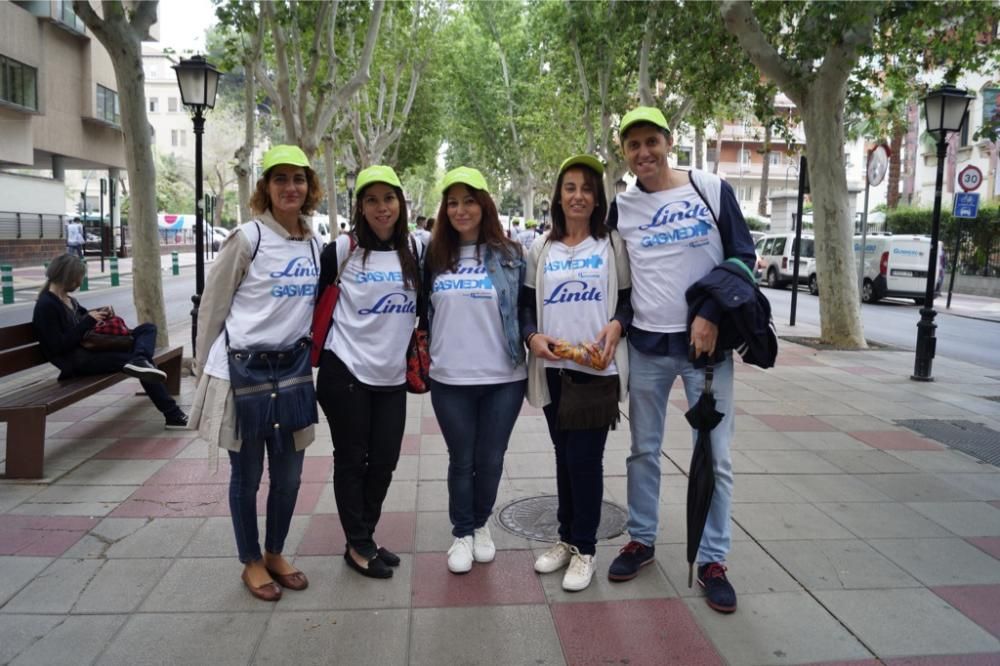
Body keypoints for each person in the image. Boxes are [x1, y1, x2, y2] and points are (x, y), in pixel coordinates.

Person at [607, 107, 756, 614]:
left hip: (705, 350)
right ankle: (641, 540)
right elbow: (618, 282)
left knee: (714, 455)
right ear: (624, 154)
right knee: (643, 450)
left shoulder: (711, 188)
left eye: (651, 141)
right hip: (648, 346)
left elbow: (742, 257)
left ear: (669, 142)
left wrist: (711, 313)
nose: (643, 152)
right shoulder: (621, 208)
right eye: (633, 145)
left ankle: (713, 560)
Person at [189, 144, 322, 602]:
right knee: (246, 477)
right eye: (280, 179)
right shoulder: (247, 238)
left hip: (293, 374)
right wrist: (202, 366)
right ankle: (250, 560)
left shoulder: (313, 242)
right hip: (242, 374)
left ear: (309, 187)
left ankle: (275, 551)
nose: (291, 187)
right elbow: (212, 307)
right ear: (265, 187)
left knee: (289, 476)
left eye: (298, 179)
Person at [521, 155, 631, 592]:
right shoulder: (541, 249)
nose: (578, 196)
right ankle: (566, 538)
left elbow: (627, 301)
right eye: (570, 187)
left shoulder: (612, 246)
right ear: (558, 196)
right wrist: (531, 337)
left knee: (584, 460)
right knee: (564, 457)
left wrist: (617, 325)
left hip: (595, 372)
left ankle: (584, 547)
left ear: (597, 198)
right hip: (553, 370)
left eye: (587, 188)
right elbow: (525, 306)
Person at [315, 165, 421, 579]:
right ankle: (359, 544)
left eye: (389, 198)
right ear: (360, 205)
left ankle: (364, 536)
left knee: (385, 461)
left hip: (392, 376)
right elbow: (315, 304)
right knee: (351, 459)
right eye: (372, 200)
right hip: (346, 373)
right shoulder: (341, 251)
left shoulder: (413, 248)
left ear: (400, 203)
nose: (382, 208)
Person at [423, 167, 526, 574]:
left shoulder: (511, 255)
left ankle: (481, 524)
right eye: (452, 202)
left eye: (469, 201)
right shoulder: (433, 257)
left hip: (504, 379)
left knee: (492, 457)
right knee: (460, 458)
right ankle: (461, 532)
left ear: (484, 205)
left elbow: (527, 310)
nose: (461, 210)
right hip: (450, 379)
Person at [32, 254, 187, 427]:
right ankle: (173, 415)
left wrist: (102, 314)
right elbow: (57, 347)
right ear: (67, 277)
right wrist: (88, 321)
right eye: (78, 278)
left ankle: (140, 359)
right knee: (140, 365)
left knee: (147, 329)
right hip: (77, 361)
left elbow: (86, 321)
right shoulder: (46, 305)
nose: (80, 283)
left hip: (92, 351)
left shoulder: (69, 300)